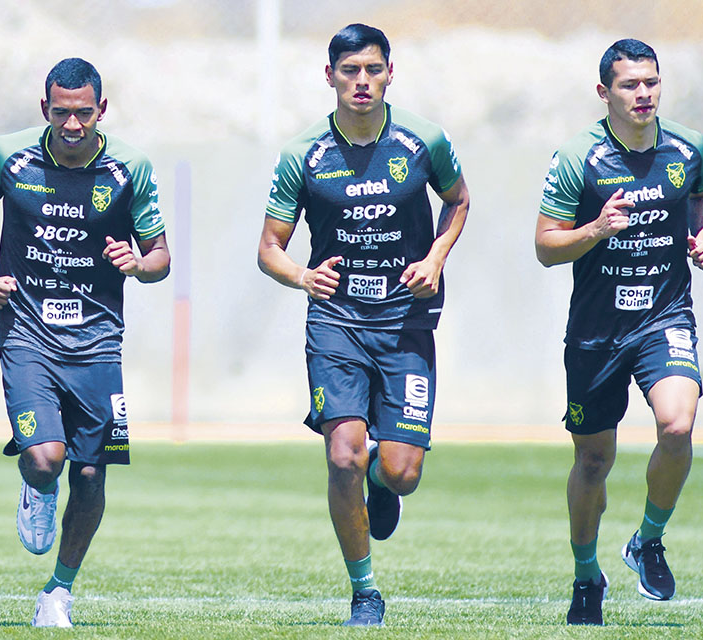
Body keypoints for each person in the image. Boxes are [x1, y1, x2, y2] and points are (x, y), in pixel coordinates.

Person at [257, 23, 470, 627]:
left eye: (372, 69)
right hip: (337, 324)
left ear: (389, 72)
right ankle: (364, 590)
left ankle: (383, 479)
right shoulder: (304, 155)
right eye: (349, 71)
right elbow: (269, 247)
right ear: (330, 77)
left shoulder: (424, 140)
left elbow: (458, 201)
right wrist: (302, 276)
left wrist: (434, 257)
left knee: (400, 473)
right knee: (343, 456)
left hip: (406, 322)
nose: (362, 81)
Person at [0, 57, 169, 628]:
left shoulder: (131, 167)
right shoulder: (9, 156)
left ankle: (59, 590)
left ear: (101, 110)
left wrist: (139, 263)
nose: (72, 124)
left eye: (83, 113)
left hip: (99, 340)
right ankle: (36, 487)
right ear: (43, 108)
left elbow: (161, 257)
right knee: (45, 459)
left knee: (92, 473)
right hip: (26, 331)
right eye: (61, 113)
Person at [534, 39, 703, 626]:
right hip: (596, 331)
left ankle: (648, 540)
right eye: (630, 85)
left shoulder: (688, 147)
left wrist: (702, 235)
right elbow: (545, 246)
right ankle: (587, 574)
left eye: (651, 83)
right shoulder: (577, 159)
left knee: (678, 423)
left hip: (665, 316)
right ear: (604, 93)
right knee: (593, 461)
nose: (643, 94)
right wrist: (596, 228)